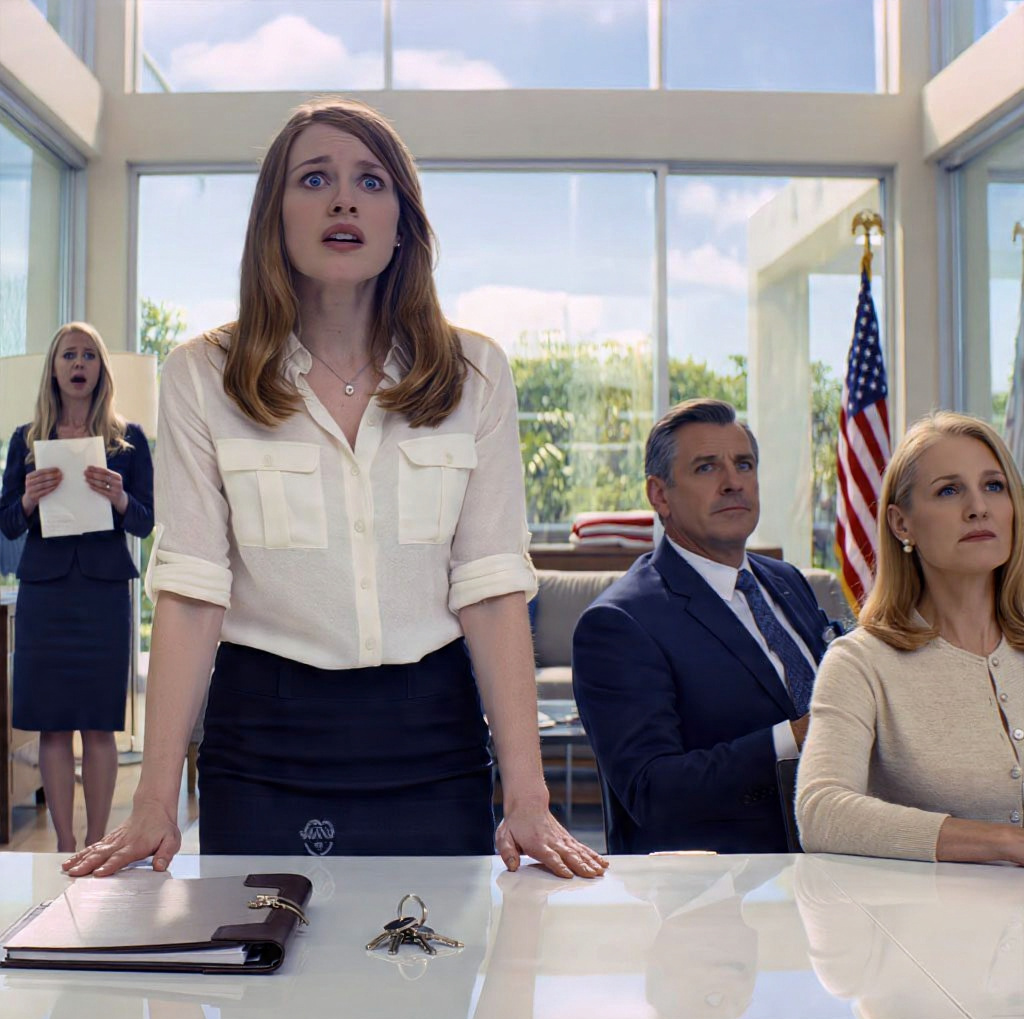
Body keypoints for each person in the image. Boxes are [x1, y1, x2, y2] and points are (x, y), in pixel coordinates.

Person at [63, 97, 605, 879]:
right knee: (261, 955)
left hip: (433, 736)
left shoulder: (476, 373)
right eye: (314, 178)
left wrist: (528, 796)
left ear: (402, 222)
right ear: (274, 217)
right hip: (264, 740)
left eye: (371, 182)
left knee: (433, 954)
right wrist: (153, 802)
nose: (344, 200)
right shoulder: (200, 376)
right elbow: (191, 591)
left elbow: (490, 588)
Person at [573, 398, 836, 854]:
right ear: (659, 495)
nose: (733, 482)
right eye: (707, 467)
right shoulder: (619, 623)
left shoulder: (786, 581)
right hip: (721, 878)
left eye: (744, 464)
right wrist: (794, 738)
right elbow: (653, 791)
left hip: (839, 851)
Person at [796, 412, 1024, 865]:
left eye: (994, 486)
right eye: (949, 490)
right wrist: (1004, 842)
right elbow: (821, 811)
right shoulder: (860, 662)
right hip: (929, 911)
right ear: (902, 524)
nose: (978, 507)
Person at [0, 322, 154, 852]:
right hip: (45, 595)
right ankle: (65, 846)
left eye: (89, 354)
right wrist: (27, 498)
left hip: (103, 595)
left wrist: (119, 498)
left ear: (100, 369)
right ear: (54, 367)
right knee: (53, 724)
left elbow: (144, 521)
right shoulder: (25, 440)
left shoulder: (128, 442)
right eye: (69, 354)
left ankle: (96, 841)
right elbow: (7, 525)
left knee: (99, 724)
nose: (79, 363)